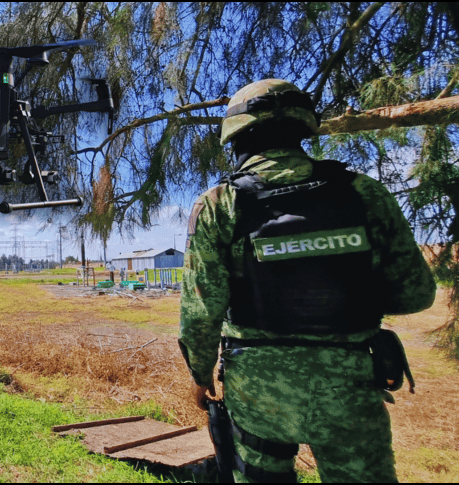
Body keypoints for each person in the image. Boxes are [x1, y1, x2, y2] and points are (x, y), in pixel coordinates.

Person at [178, 79, 436, 482]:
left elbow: (201, 311)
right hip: (348, 384)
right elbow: (417, 293)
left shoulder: (218, 204)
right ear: (303, 127)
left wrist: (200, 375)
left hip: (258, 388)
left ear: (236, 134)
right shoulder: (364, 193)